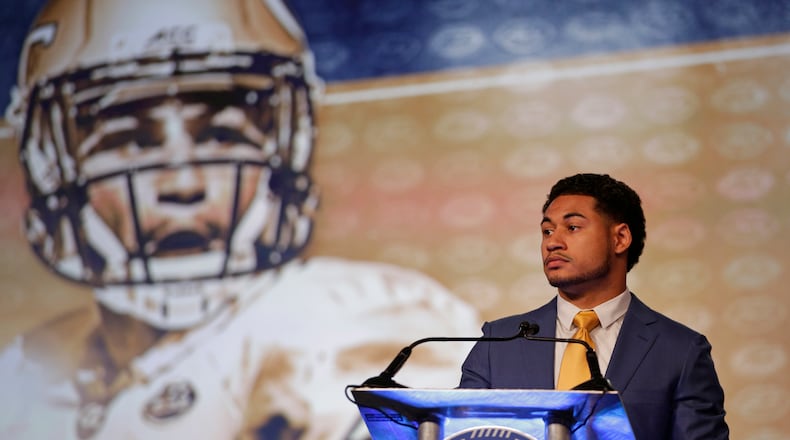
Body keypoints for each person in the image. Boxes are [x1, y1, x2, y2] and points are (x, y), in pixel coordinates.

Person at [0, 0, 479, 439]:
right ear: (51, 164)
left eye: (221, 136)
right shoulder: (27, 369)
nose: (183, 184)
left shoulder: (344, 320)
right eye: (130, 141)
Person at [459, 173, 728, 439]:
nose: (552, 242)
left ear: (620, 238)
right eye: (547, 231)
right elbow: (460, 431)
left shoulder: (680, 351)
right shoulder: (498, 343)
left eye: (572, 228)